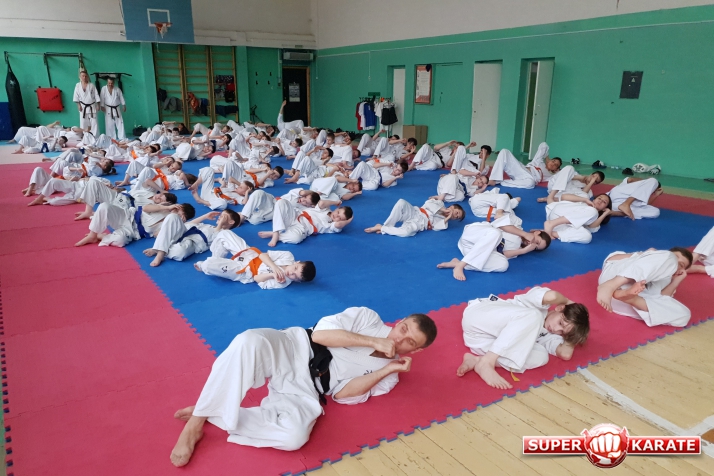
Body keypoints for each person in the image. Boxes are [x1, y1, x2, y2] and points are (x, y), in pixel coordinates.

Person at [169, 306, 437, 467]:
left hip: (309, 387)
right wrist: (373, 341)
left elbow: (342, 395)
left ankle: (211, 410)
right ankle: (196, 423)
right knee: (248, 341)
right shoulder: (368, 318)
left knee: (294, 437)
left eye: (410, 342)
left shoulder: (390, 377)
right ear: (400, 321)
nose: (399, 339)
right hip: (296, 346)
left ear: (417, 351)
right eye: (403, 329)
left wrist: (387, 368)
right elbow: (320, 335)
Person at [456, 287, 589, 389]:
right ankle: (487, 362)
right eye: (560, 323)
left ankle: (477, 360)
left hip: (479, 339)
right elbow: (553, 296)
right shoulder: (539, 305)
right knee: (534, 316)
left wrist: (574, 335)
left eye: (562, 332)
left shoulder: (549, 335)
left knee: (541, 356)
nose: (555, 329)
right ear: (559, 308)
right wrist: (568, 302)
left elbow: (565, 354)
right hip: (479, 316)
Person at [596, 247, 693, 327]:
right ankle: (611, 285)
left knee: (684, 314)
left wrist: (676, 281)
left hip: (624, 304)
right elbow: (610, 260)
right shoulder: (653, 257)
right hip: (612, 279)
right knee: (669, 258)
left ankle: (630, 298)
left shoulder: (668, 280)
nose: (676, 263)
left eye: (681, 265)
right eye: (676, 257)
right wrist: (645, 255)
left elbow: (660, 299)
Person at [436, 215, 551, 280]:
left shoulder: (518, 250)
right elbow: (500, 223)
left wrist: (523, 251)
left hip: (470, 250)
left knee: (503, 265)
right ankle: (462, 265)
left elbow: (501, 254)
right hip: (473, 235)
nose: (532, 244)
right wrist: (524, 234)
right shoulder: (517, 223)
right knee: (496, 233)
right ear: (537, 232)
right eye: (537, 241)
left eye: (535, 247)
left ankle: (458, 263)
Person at [193, 229, 316, 288]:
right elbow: (262, 255)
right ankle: (217, 260)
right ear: (297, 262)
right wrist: (274, 267)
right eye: (295, 268)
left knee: (207, 265)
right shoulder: (288, 256)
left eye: (295, 276)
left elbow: (256, 279)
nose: (291, 273)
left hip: (244, 272)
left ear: (297, 281)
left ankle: (212, 264)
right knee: (224, 234)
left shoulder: (282, 282)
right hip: (250, 255)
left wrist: (272, 275)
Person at [75, 200, 195, 248]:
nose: (178, 216)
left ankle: (100, 236)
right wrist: (167, 207)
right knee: (104, 206)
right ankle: (92, 235)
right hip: (127, 216)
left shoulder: (173, 225)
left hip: (132, 232)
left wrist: (173, 222)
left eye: (182, 218)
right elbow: (146, 208)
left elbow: (156, 235)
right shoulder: (164, 207)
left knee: (120, 241)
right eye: (178, 212)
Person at [150, 209, 242, 265]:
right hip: (183, 233)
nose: (220, 217)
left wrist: (220, 224)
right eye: (221, 215)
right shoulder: (208, 226)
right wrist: (205, 216)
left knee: (180, 252)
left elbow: (215, 236)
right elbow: (189, 224)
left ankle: (160, 248)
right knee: (172, 216)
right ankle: (160, 253)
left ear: (231, 222)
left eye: (224, 217)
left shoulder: (224, 234)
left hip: (191, 244)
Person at [258, 199, 353, 247]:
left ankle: (276, 234)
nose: (336, 216)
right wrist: (335, 202)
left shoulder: (331, 226)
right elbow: (321, 203)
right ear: (337, 208)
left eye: (340, 218)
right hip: (295, 215)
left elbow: (339, 225)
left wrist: (348, 221)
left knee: (296, 239)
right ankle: (276, 233)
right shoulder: (325, 209)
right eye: (338, 212)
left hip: (302, 228)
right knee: (282, 202)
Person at [364, 198, 465, 237]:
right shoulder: (440, 203)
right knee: (401, 202)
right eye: (457, 213)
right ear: (452, 207)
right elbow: (428, 203)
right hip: (415, 212)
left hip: (419, 224)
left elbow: (435, 227)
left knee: (406, 233)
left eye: (457, 217)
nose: (455, 216)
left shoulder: (445, 223)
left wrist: (446, 218)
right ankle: (387, 226)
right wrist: (443, 210)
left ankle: (382, 228)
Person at [543, 196, 612, 244]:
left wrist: (605, 214)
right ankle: (551, 224)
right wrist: (584, 199)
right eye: (599, 198)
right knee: (594, 211)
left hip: (560, 226)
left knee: (587, 236)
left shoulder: (596, 218)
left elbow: (591, 227)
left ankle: (551, 232)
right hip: (558, 215)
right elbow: (564, 196)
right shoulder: (583, 203)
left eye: (604, 202)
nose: (600, 201)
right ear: (593, 200)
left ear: (604, 208)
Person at [488, 149, 561, 189]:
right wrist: (547, 159)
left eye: (556, 165)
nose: (553, 164)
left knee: (531, 183)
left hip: (527, 178)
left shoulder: (550, 176)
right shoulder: (539, 161)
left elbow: (563, 175)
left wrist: (558, 171)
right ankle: (494, 179)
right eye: (553, 161)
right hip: (520, 168)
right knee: (504, 151)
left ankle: (501, 182)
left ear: (556, 169)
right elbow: (544, 145)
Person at [539, 166, 604, 203]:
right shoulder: (576, 174)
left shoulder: (589, 191)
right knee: (570, 168)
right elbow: (564, 177)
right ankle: (551, 197)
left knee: (585, 197)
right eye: (593, 177)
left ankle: (552, 198)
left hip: (560, 195)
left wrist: (591, 182)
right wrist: (581, 178)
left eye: (595, 181)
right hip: (554, 187)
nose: (593, 179)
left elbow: (583, 194)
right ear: (591, 174)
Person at [73, 69, 100, 137]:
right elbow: (76, 96)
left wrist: (98, 105)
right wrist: (78, 105)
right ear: (80, 77)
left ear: (87, 76)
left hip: (92, 106)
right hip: (83, 107)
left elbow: (96, 95)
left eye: (85, 76)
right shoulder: (77, 85)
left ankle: (95, 137)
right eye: (83, 76)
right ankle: (85, 137)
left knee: (94, 123)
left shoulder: (92, 85)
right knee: (83, 123)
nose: (84, 77)